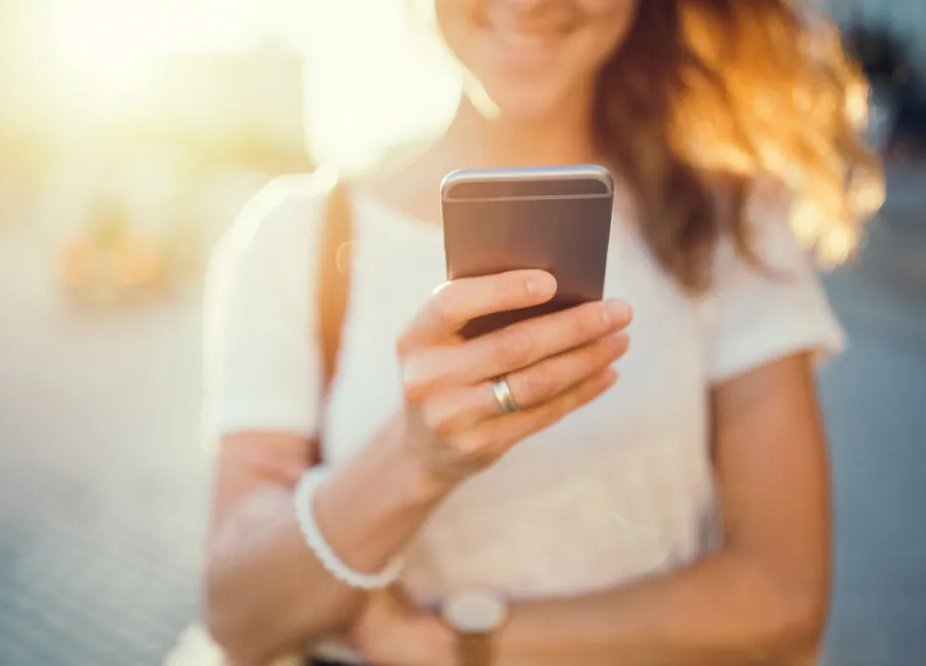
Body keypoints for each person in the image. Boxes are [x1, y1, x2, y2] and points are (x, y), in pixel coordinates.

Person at [200, 1, 881, 665]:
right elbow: (238, 614)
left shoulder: (728, 223)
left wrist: (449, 644)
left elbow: (783, 603)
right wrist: (415, 457)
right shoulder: (300, 236)